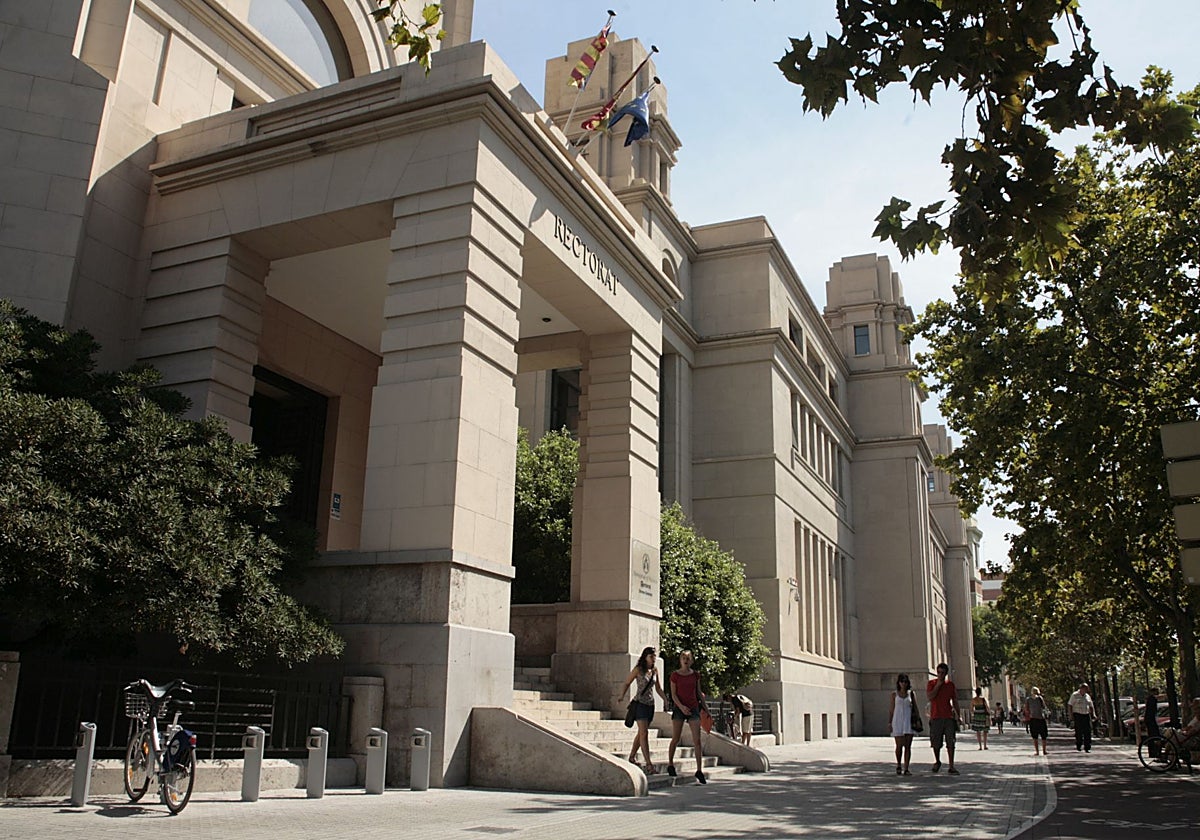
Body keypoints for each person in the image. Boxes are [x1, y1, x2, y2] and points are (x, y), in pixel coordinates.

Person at [618, 646, 667, 774]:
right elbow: (627, 682)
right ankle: (649, 765)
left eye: (655, 657)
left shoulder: (655, 670)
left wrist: (665, 700)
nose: (653, 659)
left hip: (650, 705)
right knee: (644, 733)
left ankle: (632, 756)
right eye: (651, 657)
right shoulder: (638, 670)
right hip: (639, 704)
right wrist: (622, 695)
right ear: (645, 657)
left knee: (641, 733)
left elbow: (658, 688)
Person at [667, 650, 708, 784]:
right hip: (679, 709)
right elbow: (673, 694)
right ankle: (671, 764)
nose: (686, 660)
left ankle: (699, 770)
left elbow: (698, 692)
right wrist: (681, 706)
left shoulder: (695, 675)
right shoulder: (675, 675)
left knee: (697, 740)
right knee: (676, 738)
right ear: (680, 660)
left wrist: (706, 709)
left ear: (692, 660)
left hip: (693, 708)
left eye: (688, 658)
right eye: (684, 658)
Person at [926, 662, 960, 774]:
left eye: (943, 673)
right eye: (939, 672)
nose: (940, 675)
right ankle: (937, 761)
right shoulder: (932, 683)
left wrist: (958, 716)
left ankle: (951, 765)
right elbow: (930, 696)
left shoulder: (950, 685)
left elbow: (955, 701)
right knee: (936, 742)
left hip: (948, 717)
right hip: (936, 716)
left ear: (946, 674)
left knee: (951, 742)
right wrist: (938, 686)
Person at [887, 673, 916, 775]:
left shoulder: (911, 694)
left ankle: (906, 768)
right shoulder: (894, 695)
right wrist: (890, 722)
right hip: (897, 721)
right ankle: (899, 764)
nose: (903, 684)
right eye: (901, 681)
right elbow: (891, 710)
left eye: (905, 682)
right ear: (898, 683)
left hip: (908, 722)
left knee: (908, 746)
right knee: (899, 746)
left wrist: (917, 721)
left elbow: (915, 708)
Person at [1067, 682, 1096, 752]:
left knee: (1087, 731)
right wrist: (1070, 715)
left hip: (1086, 714)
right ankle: (1079, 745)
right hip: (1078, 715)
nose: (1085, 690)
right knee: (1079, 731)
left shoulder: (1087, 696)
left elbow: (1091, 706)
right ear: (1081, 688)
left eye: (1087, 689)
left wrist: (1093, 714)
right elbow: (1070, 705)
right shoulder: (1074, 695)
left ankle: (1087, 747)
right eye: (1084, 689)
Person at [1023, 686, 1049, 755]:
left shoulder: (1028, 699)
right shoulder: (1040, 698)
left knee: (1035, 736)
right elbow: (1044, 707)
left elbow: (1026, 709)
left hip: (1033, 719)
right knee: (1044, 736)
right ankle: (1044, 750)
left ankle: (1037, 751)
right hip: (1041, 719)